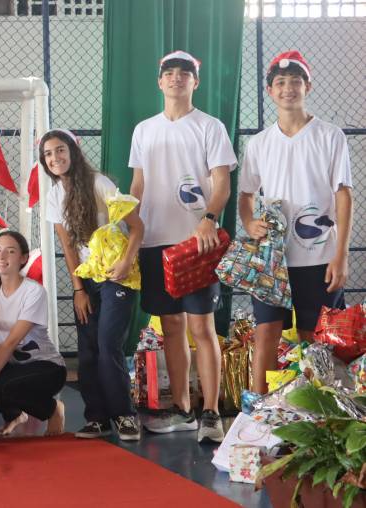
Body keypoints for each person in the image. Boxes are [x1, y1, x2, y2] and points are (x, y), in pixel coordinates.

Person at [128, 50, 237, 443]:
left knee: (202, 328)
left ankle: (211, 414)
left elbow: (222, 184)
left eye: (184, 73)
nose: (177, 78)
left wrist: (208, 218)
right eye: (170, 73)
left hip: (196, 244)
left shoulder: (210, 127)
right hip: (154, 242)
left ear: (196, 82)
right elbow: (138, 185)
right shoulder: (143, 130)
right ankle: (182, 409)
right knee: (171, 327)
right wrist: (128, 226)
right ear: (160, 82)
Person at [239, 51, 352, 394]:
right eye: (280, 82)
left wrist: (341, 255)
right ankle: (259, 410)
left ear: (308, 86)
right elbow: (245, 195)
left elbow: (344, 195)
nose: (288, 88)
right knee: (266, 333)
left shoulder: (330, 135)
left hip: (318, 256)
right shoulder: (259, 143)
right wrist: (249, 223)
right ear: (270, 91)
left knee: (314, 336)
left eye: (295, 81)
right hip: (272, 259)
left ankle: (321, 407)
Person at [40, 128, 143, 441]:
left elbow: (137, 227)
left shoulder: (99, 183)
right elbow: (68, 246)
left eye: (60, 150)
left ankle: (125, 416)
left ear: (72, 151)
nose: (55, 157)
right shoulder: (54, 195)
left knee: (108, 343)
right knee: (88, 349)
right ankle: (97, 417)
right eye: (48, 154)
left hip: (115, 274)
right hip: (87, 278)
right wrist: (78, 290)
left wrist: (125, 262)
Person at [0, 230, 67, 437]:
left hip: (47, 368)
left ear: (23, 258)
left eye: (10, 251)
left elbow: (10, 342)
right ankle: (14, 415)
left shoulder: (34, 291)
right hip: (15, 366)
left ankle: (53, 409)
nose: (1, 256)